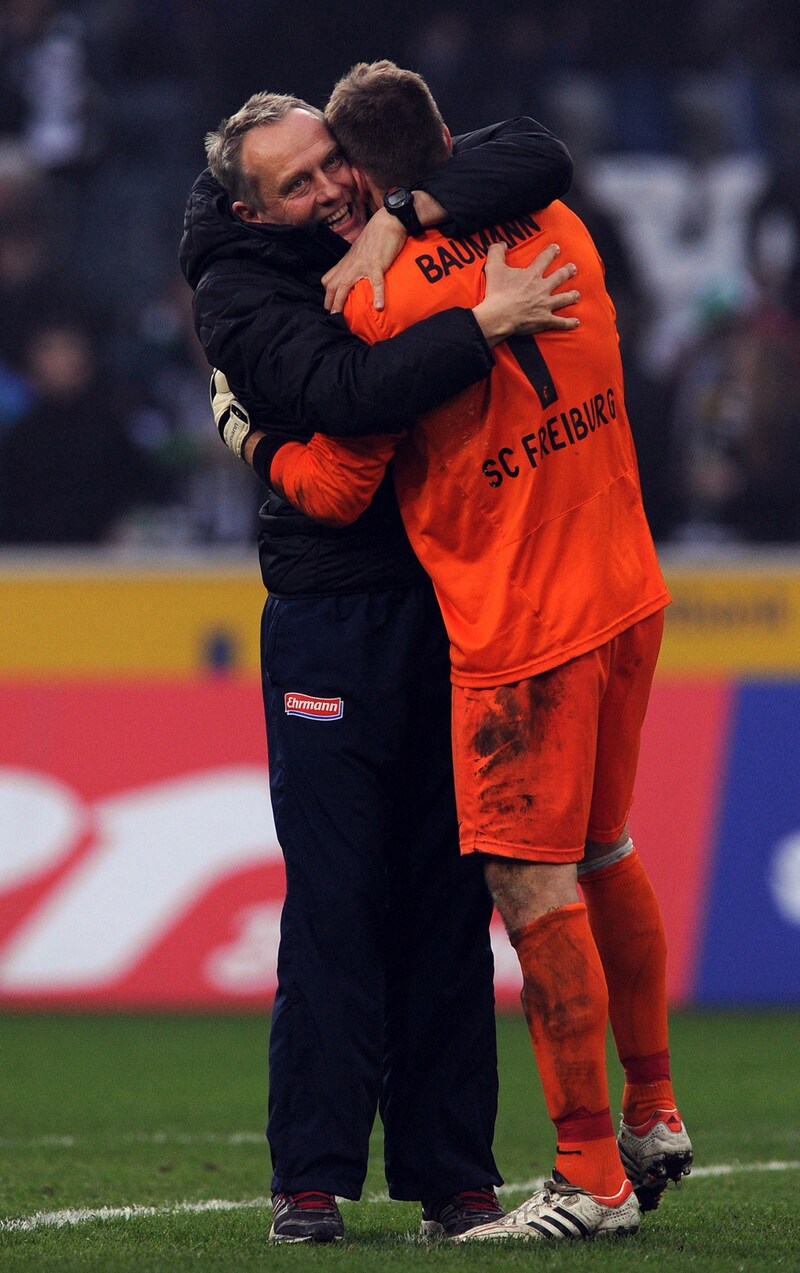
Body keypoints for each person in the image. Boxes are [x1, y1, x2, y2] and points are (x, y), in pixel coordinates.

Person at [247, 60, 694, 1243]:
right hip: (626, 586)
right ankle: (651, 1107)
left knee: (525, 881)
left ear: (354, 176)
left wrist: (254, 442)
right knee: (605, 844)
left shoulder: (370, 302)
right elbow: (530, 146)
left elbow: (342, 481)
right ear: (444, 136)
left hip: (518, 625)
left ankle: (590, 1175)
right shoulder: (555, 223)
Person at [179, 92, 578, 1242]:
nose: (329, 189)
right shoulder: (238, 290)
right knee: (339, 901)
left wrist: (400, 213)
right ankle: (310, 1178)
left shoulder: (382, 207)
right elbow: (347, 396)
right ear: (255, 208)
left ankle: (452, 1177)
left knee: (450, 898)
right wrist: (480, 323)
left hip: (455, 599)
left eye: (331, 164)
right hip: (332, 611)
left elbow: (537, 149)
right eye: (298, 185)